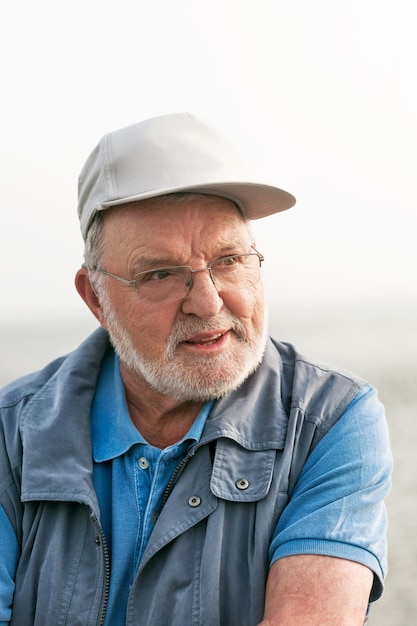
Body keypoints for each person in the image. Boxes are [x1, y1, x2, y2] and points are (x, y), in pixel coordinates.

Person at [0, 112, 392, 626]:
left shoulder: (328, 423)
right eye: (161, 273)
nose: (207, 303)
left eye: (229, 260)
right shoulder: (12, 433)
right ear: (95, 297)